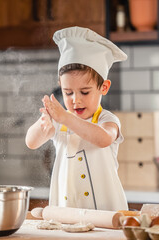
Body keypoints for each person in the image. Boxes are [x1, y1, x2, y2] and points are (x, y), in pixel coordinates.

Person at [25, 26, 128, 211]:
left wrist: (65, 117)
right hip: (68, 212)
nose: (76, 100)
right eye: (68, 92)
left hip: (105, 214)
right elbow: (31, 142)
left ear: (103, 87)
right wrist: (44, 126)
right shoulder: (59, 118)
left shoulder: (106, 119)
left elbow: (104, 139)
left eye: (85, 92)